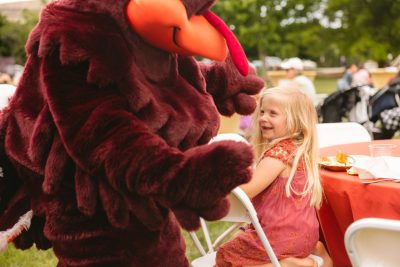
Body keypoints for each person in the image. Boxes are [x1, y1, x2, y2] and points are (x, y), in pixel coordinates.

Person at [215, 86, 332, 267]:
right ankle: (319, 251)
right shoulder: (299, 149)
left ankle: (290, 265)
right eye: (262, 112)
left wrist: (222, 180)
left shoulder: (278, 155)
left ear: (295, 121)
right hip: (304, 236)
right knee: (240, 237)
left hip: (279, 237)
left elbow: (246, 192)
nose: (263, 118)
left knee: (224, 257)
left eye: (273, 113)